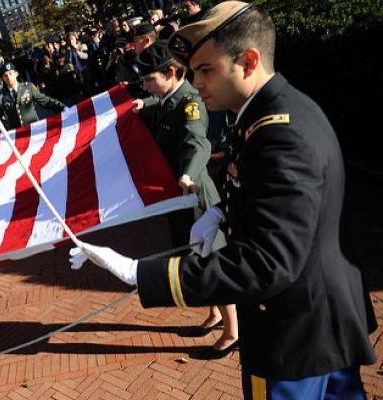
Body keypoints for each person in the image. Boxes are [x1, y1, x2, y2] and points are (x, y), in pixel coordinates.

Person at [70, 2, 376, 399]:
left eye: (206, 70)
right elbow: (269, 199)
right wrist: (219, 211)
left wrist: (140, 273)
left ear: (248, 61)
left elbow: (266, 262)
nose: (195, 82)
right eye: (194, 71)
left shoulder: (279, 133)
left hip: (294, 335)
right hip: (316, 319)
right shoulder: (261, 114)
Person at [133, 41, 237, 357]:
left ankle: (233, 331)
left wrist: (189, 173)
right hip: (178, 198)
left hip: (195, 195)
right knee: (196, 256)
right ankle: (215, 314)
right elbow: (160, 106)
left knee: (212, 260)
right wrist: (143, 103)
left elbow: (198, 142)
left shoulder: (191, 103)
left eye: (150, 79)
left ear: (171, 72)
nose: (146, 85)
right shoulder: (166, 99)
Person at [0, 62, 65, 137]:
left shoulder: (28, 87)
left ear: (16, 74)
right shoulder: (2, 96)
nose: (8, 77)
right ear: (3, 78)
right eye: (5, 75)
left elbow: (46, 101)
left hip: (36, 131)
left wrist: (63, 108)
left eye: (10, 73)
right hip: (18, 136)